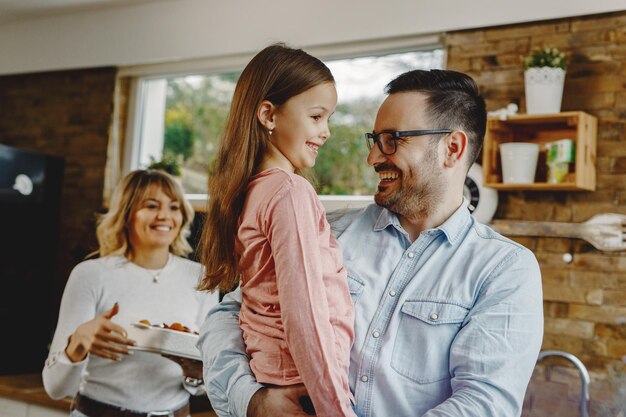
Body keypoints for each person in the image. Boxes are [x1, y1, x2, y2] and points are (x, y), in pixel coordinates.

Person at [197, 69, 544, 417]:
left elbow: (484, 404)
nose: (373, 158)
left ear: (451, 149)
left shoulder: (505, 269)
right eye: (374, 139)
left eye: (392, 140)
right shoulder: (325, 230)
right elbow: (230, 316)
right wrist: (253, 401)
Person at [196, 43, 356, 417]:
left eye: (328, 118)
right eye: (317, 116)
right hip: (304, 391)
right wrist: (338, 410)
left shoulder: (251, 189)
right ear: (268, 114)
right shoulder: (289, 191)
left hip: (274, 376)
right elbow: (307, 317)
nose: (327, 131)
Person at [42, 169, 219, 417]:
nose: (164, 215)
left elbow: (210, 381)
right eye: (151, 205)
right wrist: (78, 342)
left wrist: (196, 374)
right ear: (127, 214)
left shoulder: (201, 278)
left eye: (174, 207)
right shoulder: (90, 275)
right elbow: (55, 388)